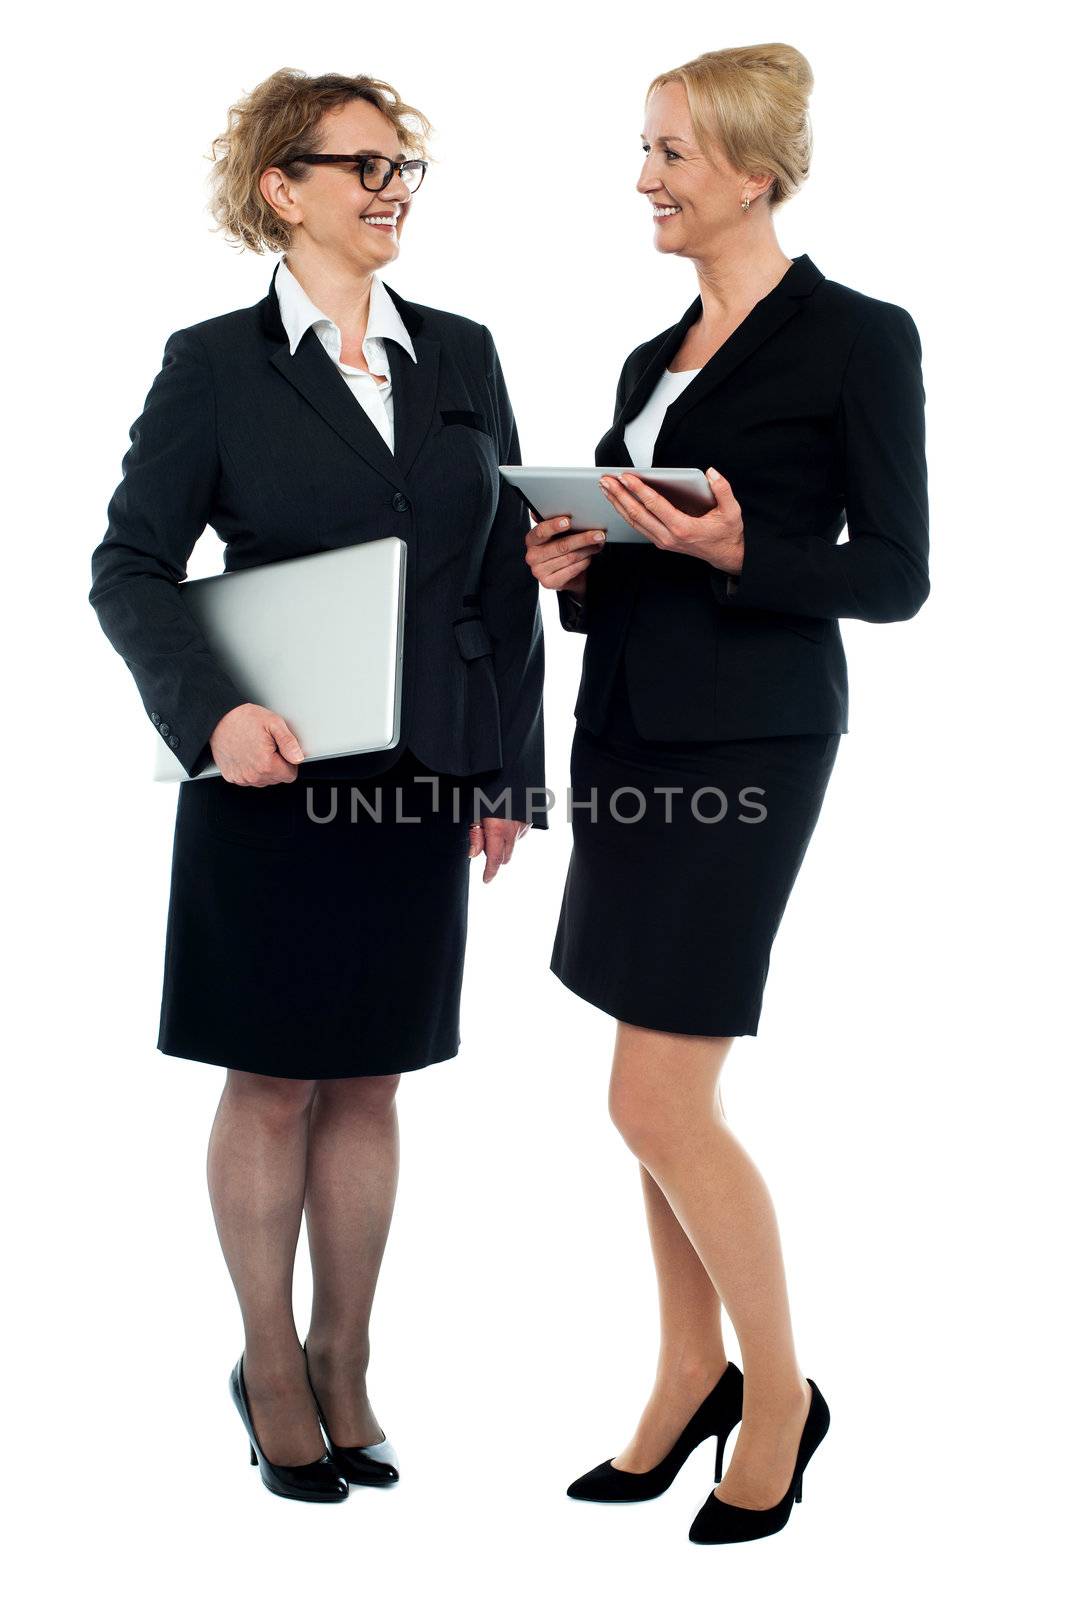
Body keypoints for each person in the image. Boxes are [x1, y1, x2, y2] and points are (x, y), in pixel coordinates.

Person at [89, 68, 545, 1503]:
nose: (391, 187)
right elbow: (130, 568)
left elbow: (498, 580)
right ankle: (267, 1363)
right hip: (266, 776)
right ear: (282, 188)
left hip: (418, 773)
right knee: (274, 1078)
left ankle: (346, 1360)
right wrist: (211, 709)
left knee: (373, 1077)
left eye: (404, 164)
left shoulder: (460, 354)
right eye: (360, 165)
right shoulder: (214, 364)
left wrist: (508, 776)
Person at [526, 43, 928, 1544]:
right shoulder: (651, 359)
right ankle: (686, 1365)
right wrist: (576, 568)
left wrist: (733, 555)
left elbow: (893, 576)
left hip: (750, 746)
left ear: (753, 173)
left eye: (670, 154)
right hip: (629, 731)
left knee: (653, 1094)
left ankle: (778, 1394)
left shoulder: (854, 340)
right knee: (651, 1100)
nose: (644, 179)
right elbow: (638, 559)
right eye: (644, 149)